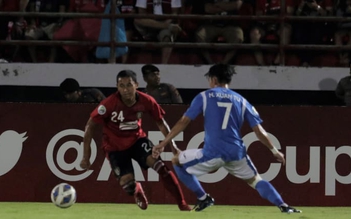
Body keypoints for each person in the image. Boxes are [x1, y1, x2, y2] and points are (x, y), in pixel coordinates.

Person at [152, 64, 302, 213]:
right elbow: (259, 131)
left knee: (176, 161)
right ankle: (284, 206)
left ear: (214, 79)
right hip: (236, 153)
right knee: (256, 180)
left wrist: (164, 142)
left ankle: (203, 197)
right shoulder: (242, 100)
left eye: (209, 79)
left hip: (213, 152)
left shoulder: (204, 96)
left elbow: (184, 121)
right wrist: (275, 151)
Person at [79, 70, 191, 211]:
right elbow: (90, 126)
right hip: (114, 147)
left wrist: (173, 147)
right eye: (121, 86)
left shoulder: (147, 100)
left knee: (161, 167)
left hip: (137, 141)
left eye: (129, 85)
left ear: (136, 85)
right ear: (117, 87)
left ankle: (182, 203)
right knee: (128, 186)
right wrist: (85, 156)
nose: (125, 90)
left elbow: (161, 122)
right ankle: (136, 189)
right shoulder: (108, 104)